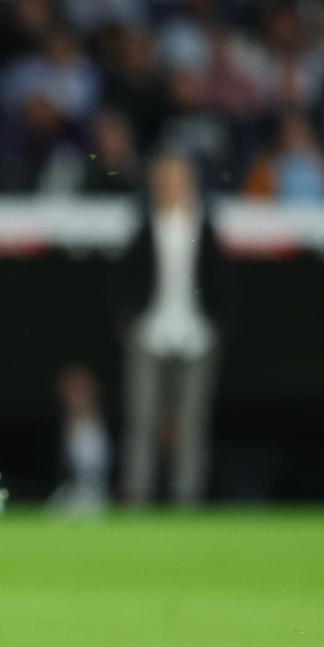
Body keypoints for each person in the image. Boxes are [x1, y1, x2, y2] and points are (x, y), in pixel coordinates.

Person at [118, 152, 228, 505]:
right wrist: (129, 322)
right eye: (165, 178)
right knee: (142, 420)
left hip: (197, 335)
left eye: (178, 178)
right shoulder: (143, 224)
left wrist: (217, 325)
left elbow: (222, 282)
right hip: (150, 333)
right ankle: (138, 497)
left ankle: (187, 499)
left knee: (192, 424)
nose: (172, 185)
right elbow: (123, 280)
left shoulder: (205, 225)